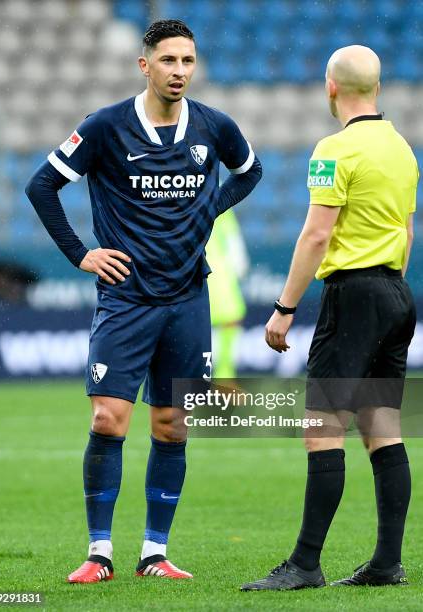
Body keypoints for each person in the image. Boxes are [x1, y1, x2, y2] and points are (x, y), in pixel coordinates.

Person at [26, 19, 261, 583]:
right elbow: (42, 186)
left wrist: (212, 208)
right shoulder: (105, 126)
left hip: (186, 299)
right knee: (109, 419)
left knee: (172, 426)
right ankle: (99, 552)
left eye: (187, 61)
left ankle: (154, 553)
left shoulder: (213, 126)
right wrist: (82, 254)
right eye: (168, 61)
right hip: (126, 300)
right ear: (144, 65)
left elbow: (250, 172)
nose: (179, 71)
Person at [241, 45, 417, 591]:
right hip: (397, 290)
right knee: (382, 427)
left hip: (355, 294)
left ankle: (305, 564)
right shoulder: (403, 149)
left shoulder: (334, 150)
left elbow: (317, 234)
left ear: (330, 87)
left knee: (322, 428)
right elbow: (406, 230)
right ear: (378, 88)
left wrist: (283, 308)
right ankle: (387, 562)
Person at [206, 208, 249, 378]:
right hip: (215, 268)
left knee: (229, 319)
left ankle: (221, 375)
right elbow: (232, 236)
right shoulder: (215, 190)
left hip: (209, 266)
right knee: (229, 319)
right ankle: (222, 375)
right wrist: (240, 263)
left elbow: (231, 233)